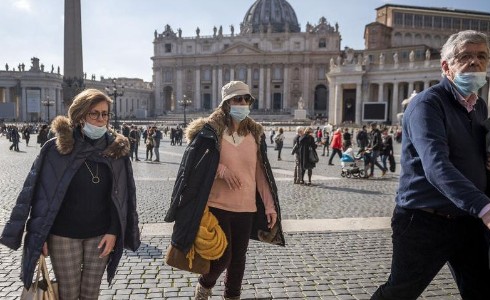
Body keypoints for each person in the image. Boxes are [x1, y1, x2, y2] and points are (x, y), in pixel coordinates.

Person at [371, 30, 490, 300]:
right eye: (465, 56)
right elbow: (436, 165)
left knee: (486, 291)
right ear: (446, 66)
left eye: (481, 56)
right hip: (424, 219)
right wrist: (488, 210)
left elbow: (473, 156)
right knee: (400, 293)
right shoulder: (426, 104)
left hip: (467, 218)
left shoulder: (479, 106)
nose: (475, 62)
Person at [0, 88, 140, 299]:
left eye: (105, 113)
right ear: (80, 115)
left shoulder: (117, 151)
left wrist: (114, 231)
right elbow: (39, 195)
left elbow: (122, 197)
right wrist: (40, 235)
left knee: (91, 293)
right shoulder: (56, 149)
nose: (101, 119)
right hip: (62, 234)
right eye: (94, 113)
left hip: (101, 234)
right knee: (68, 293)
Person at [164, 81, 285, 300]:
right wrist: (220, 169)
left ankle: (232, 297)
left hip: (246, 207)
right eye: (238, 99)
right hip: (217, 205)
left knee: (239, 259)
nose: (243, 103)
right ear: (226, 103)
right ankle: (205, 284)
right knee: (223, 257)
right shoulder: (211, 132)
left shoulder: (254, 135)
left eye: (247, 99)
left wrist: (269, 206)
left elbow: (261, 174)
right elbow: (194, 165)